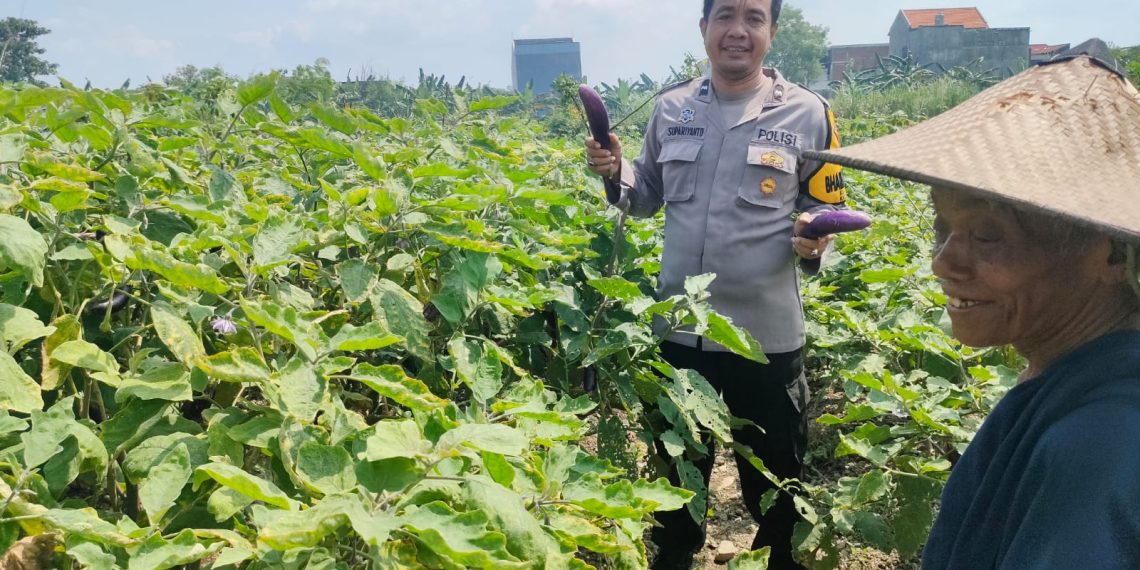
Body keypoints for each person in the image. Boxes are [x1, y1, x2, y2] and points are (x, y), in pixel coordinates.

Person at [804, 46, 1140, 568]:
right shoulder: (1072, 377)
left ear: (1113, 252)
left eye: (988, 235)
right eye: (943, 227)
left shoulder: (1101, 444)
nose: (943, 264)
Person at [584, 0, 848, 567]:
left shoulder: (810, 113)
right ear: (704, 28)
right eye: (724, 15)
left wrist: (815, 240)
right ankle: (675, 557)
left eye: (753, 17)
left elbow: (829, 212)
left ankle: (779, 558)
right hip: (680, 332)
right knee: (677, 470)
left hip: (765, 338)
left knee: (777, 477)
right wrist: (616, 172)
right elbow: (646, 193)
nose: (738, 30)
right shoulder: (671, 107)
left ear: (772, 32)